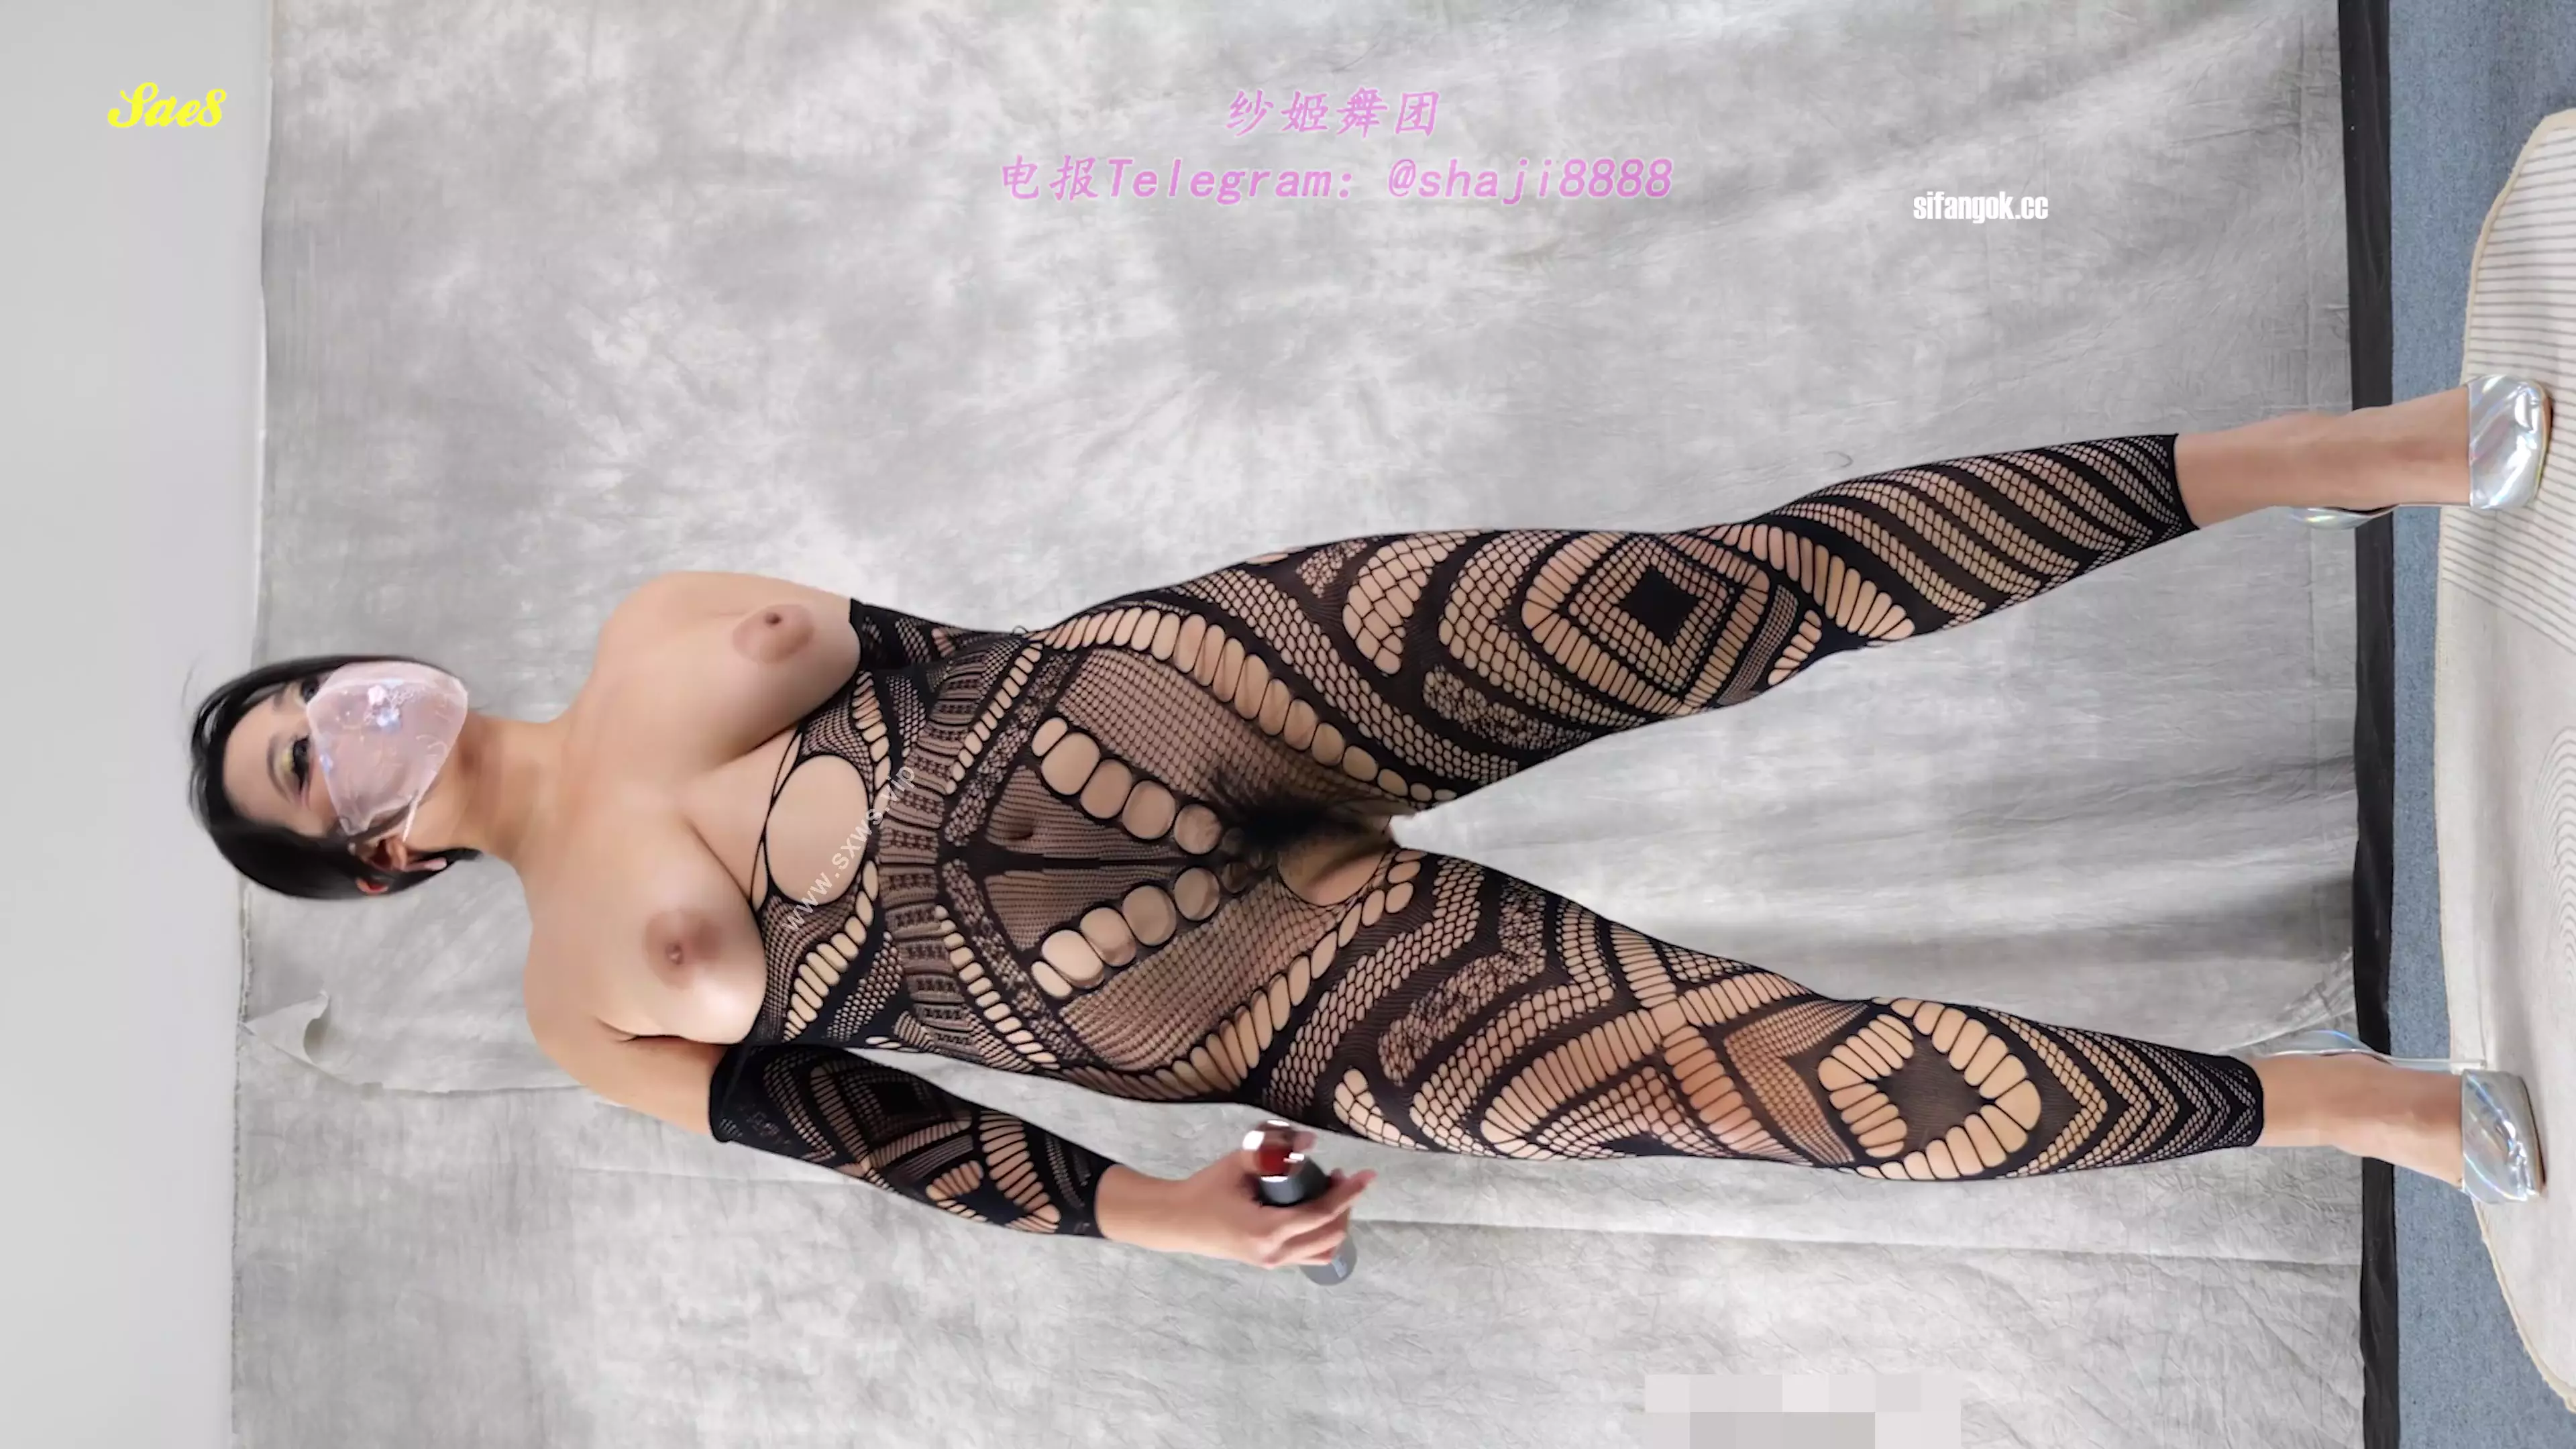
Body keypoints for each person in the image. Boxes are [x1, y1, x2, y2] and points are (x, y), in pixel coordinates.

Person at [191, 378, 2553, 1271]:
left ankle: (2349, 455)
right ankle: (2354, 1109)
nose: (336, 718)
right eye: (303, 765)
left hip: (1207, 689)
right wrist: (1151, 1217)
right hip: (1235, 1000)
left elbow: (937, 651)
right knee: (1773, 1085)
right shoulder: (573, 1006)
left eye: (305, 692)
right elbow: (864, 1128)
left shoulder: (648, 621)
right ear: (369, 858)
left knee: (1745, 589)